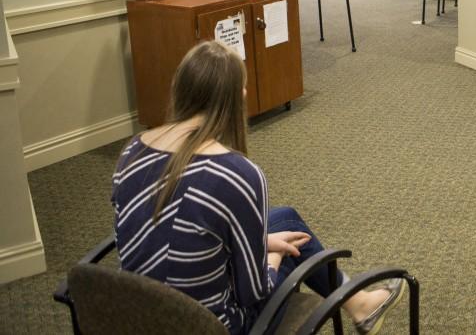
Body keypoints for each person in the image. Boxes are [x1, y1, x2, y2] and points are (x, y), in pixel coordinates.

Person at [111, 42, 406, 335]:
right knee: (292, 249)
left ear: (180, 87)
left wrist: (261, 241)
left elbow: (172, 231)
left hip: (143, 315)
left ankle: (360, 303)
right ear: (239, 97)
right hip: (213, 325)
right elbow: (254, 290)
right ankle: (360, 304)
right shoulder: (237, 174)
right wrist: (274, 255)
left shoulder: (133, 150)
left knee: (286, 219)